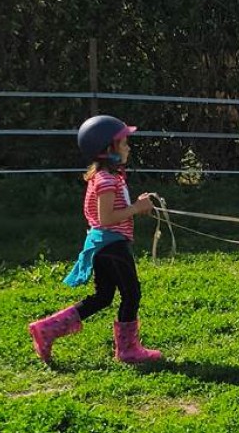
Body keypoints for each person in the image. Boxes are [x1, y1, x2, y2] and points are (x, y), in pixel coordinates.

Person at [27, 115, 163, 365]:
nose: (128, 148)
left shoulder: (108, 176)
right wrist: (136, 208)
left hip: (105, 245)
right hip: (112, 245)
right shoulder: (106, 179)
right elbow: (107, 217)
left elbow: (114, 212)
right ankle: (128, 350)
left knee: (104, 297)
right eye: (124, 143)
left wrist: (137, 207)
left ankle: (47, 329)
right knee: (131, 294)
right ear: (108, 149)